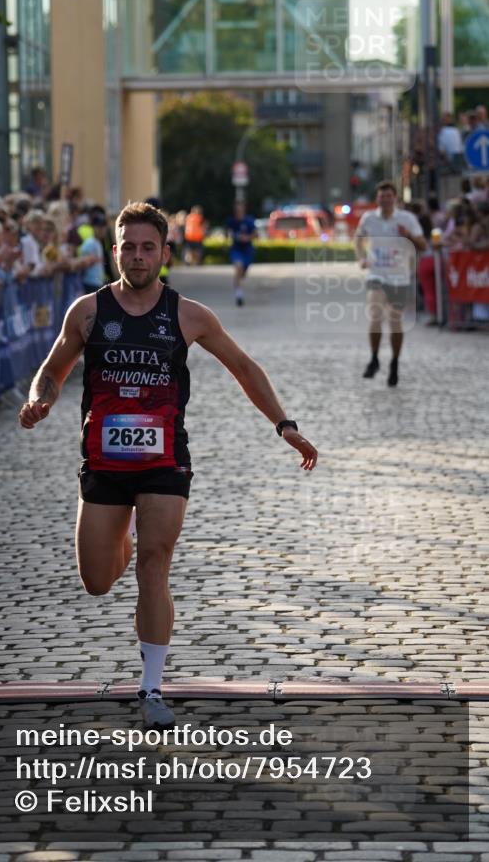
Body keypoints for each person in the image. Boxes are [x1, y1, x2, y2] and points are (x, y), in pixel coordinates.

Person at [18, 201, 318, 728]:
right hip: (103, 462)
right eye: (127, 247)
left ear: (164, 254)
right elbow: (52, 369)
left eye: (147, 248)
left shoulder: (189, 315)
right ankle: (121, 537)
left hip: (164, 462)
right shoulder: (87, 312)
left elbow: (244, 367)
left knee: (154, 565)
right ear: (114, 252)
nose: (137, 257)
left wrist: (284, 424)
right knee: (96, 580)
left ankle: (151, 686)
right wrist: (40, 398)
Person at [354, 181, 426, 387]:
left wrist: (409, 236)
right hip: (376, 273)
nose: (385, 199)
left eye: (388, 196)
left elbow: (423, 244)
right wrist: (361, 258)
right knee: (375, 316)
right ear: (377, 199)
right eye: (381, 196)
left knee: (395, 321)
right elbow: (358, 240)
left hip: (399, 276)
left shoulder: (407, 219)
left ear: (395, 198)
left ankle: (394, 362)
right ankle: (375, 358)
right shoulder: (369, 218)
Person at [226, 198, 257, 306]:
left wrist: (247, 238)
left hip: (247, 250)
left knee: (242, 274)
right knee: (238, 268)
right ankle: (239, 295)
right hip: (236, 249)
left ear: (244, 208)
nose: (238, 209)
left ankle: (238, 285)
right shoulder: (231, 220)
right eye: (237, 207)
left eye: (240, 207)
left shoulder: (249, 220)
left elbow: (255, 234)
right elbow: (228, 233)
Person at [79, 214, 108, 294]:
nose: (102, 230)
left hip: (98, 283)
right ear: (94, 228)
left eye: (104, 227)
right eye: (99, 227)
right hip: (89, 283)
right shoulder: (89, 243)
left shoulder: (99, 243)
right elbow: (82, 264)